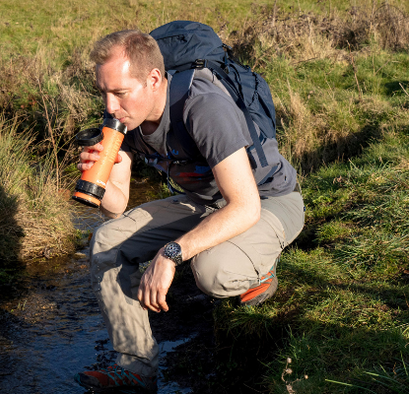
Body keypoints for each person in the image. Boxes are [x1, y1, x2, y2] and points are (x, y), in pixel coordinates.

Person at [73, 29, 304, 393]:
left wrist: (170, 254)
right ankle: (136, 367)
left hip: (267, 199)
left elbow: (244, 206)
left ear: (153, 80)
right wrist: (97, 184)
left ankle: (261, 271)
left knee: (213, 271)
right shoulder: (123, 119)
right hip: (207, 200)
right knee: (106, 243)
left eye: (119, 93)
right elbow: (116, 208)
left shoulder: (203, 107)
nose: (110, 106)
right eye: (103, 92)